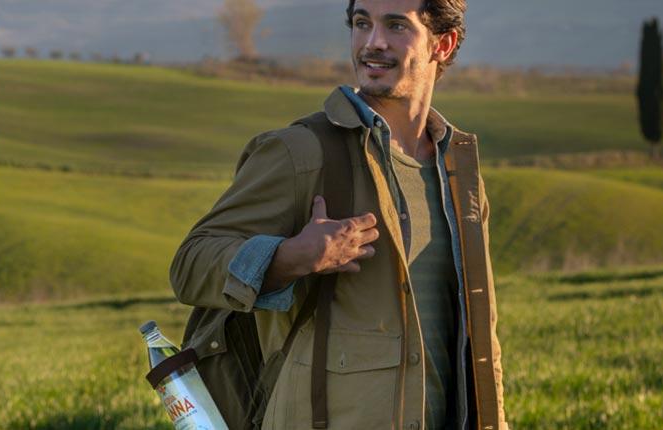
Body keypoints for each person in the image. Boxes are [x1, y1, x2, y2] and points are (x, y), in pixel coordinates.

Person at [168, 0, 504, 428]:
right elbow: (190, 264)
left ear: (444, 43)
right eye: (361, 23)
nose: (372, 42)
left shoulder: (459, 171)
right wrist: (289, 257)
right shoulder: (301, 151)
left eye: (396, 25)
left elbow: (483, 338)